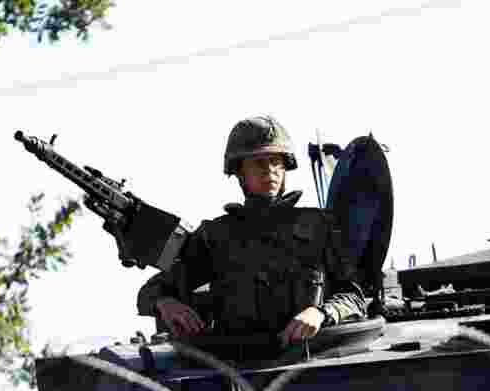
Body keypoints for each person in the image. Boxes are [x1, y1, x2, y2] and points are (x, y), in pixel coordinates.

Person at [135, 115, 367, 345]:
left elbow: (355, 296)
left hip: (308, 359)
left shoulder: (319, 226)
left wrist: (321, 313)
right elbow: (150, 292)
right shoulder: (216, 236)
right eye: (259, 162)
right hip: (241, 364)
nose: (270, 170)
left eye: (276, 162)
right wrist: (165, 303)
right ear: (240, 172)